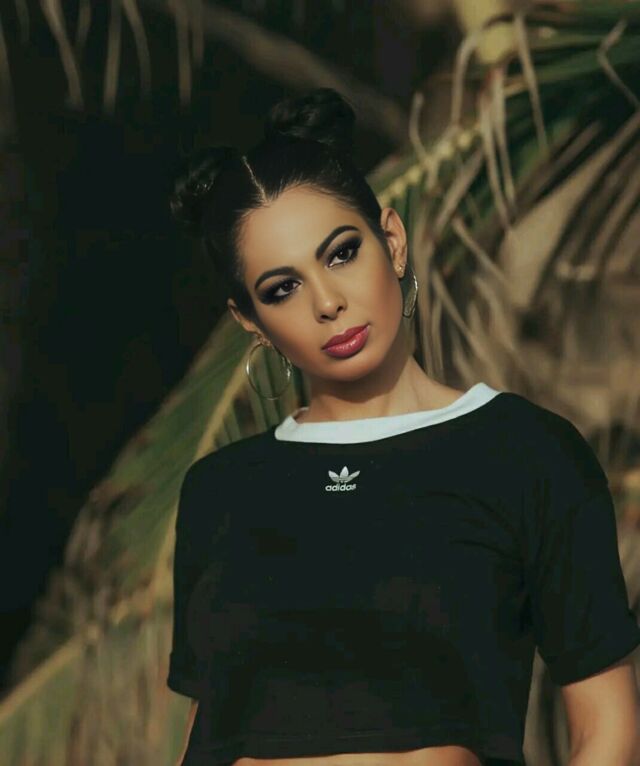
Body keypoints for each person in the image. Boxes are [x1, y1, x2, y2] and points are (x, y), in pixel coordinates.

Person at [166, 88, 640, 766]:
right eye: (282, 288)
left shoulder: (527, 454)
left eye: (340, 253)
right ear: (250, 320)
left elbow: (608, 732)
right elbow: (206, 731)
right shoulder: (219, 491)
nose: (328, 302)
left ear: (391, 240)